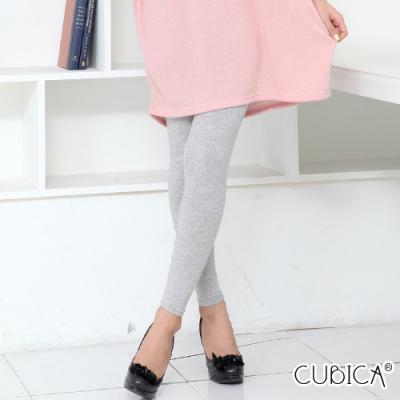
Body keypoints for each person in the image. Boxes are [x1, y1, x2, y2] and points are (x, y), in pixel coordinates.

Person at [124, 0, 348, 397]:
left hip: (235, 16)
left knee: (204, 161)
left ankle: (166, 321)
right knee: (185, 166)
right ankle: (213, 310)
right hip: (170, 17)